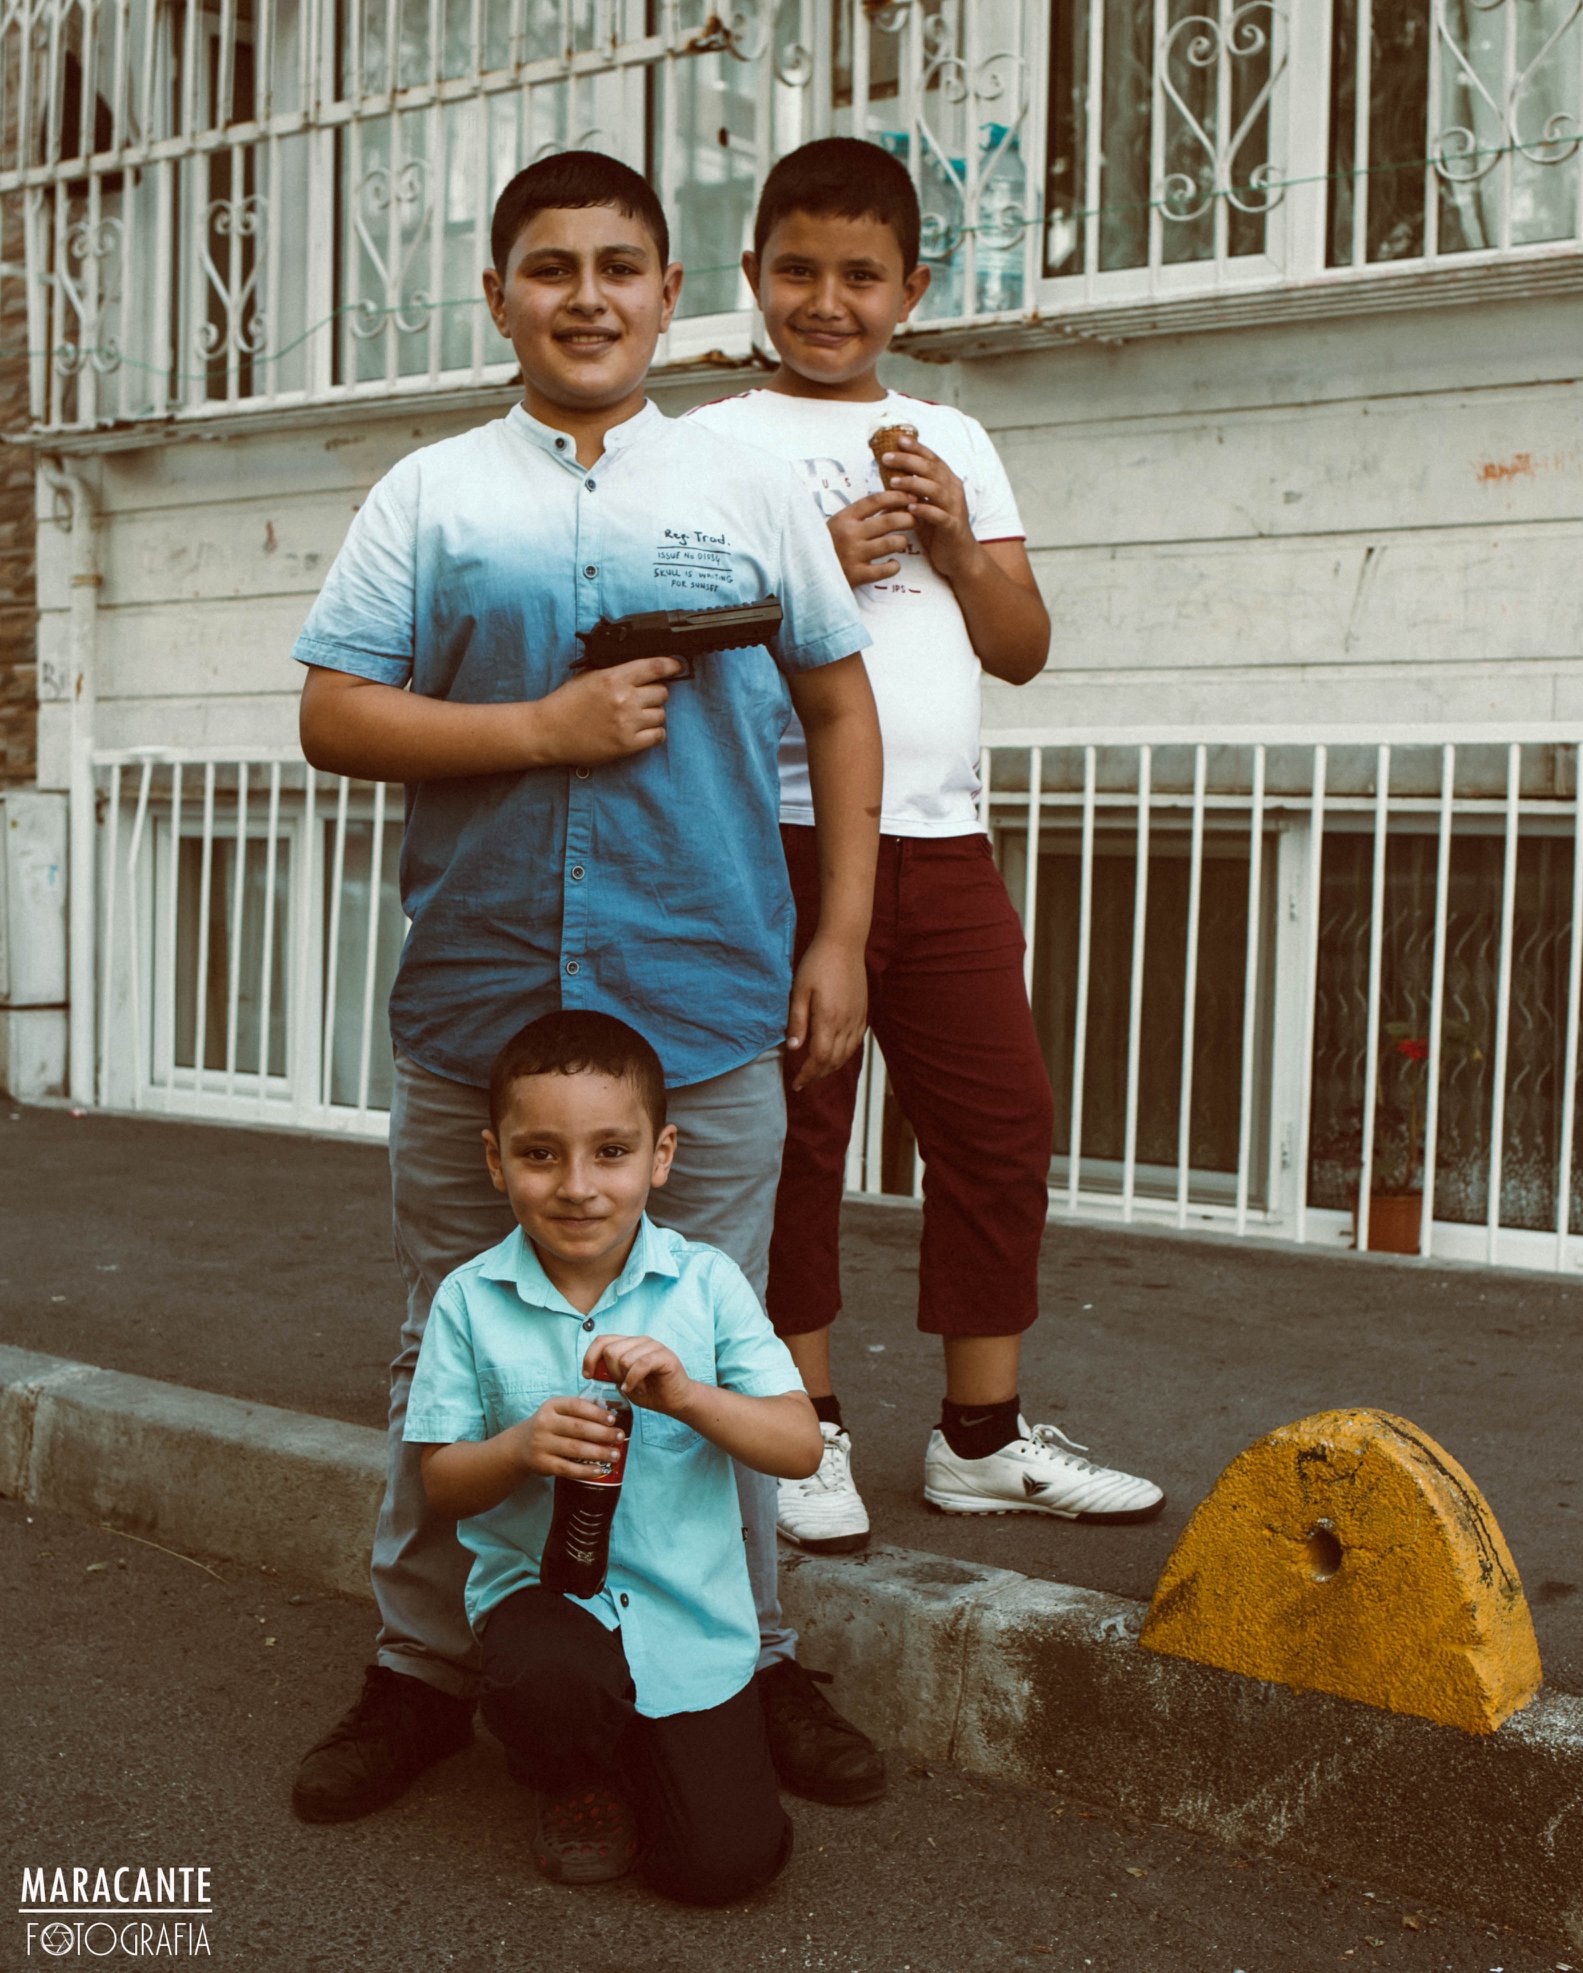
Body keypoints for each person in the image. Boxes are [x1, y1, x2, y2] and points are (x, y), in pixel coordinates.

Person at [289, 149, 886, 1824]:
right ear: (496, 298)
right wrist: (539, 731)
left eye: (619, 265)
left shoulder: (746, 487)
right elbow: (334, 712)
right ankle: (419, 1667)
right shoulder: (429, 495)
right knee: (442, 1351)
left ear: (667, 296)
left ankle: (750, 1658)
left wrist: (835, 937)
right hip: (481, 1009)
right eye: (547, 267)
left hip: (698, 993)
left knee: (724, 1350)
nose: (585, 295)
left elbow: (838, 709)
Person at [687, 138, 1164, 1555]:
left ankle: (979, 1437)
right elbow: (691, 661)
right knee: (796, 1134)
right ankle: (803, 1427)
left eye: (859, 277)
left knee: (997, 1124)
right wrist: (808, 565)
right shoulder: (708, 443)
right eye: (796, 272)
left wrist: (955, 549)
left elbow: (1018, 648)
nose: (825, 302)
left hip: (944, 844)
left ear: (912, 287)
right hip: (773, 835)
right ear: (753, 275)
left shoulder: (953, 436)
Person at [405, 1010, 821, 1901]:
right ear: (494, 1159)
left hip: (690, 1625)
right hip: (547, 1615)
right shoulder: (468, 1299)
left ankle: (661, 1752)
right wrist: (518, 1447)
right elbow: (440, 1484)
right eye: (541, 1153)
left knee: (722, 1867)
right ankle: (572, 1771)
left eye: (611, 1151)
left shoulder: (706, 1285)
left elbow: (798, 1444)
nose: (578, 1186)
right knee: (546, 1678)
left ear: (660, 1155)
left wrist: (689, 1396)